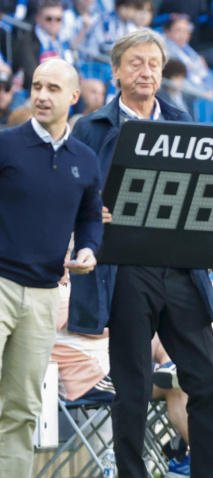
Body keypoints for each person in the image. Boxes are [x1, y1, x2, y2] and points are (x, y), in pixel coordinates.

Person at [69, 29, 213, 478]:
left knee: (207, 379)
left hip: (183, 269)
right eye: (136, 63)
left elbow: (210, 199)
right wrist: (91, 216)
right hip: (124, 271)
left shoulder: (185, 122)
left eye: (154, 64)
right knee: (132, 386)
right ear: (115, 72)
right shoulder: (89, 128)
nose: (146, 72)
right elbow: (73, 197)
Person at [0, 58, 101, 478]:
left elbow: (91, 217)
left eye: (53, 88)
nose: (42, 95)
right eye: (37, 86)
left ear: (73, 97)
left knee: (22, 409)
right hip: (1, 284)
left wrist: (90, 248)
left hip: (44, 297)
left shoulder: (86, 159)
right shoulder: (5, 145)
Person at [12, 0, 74, 89]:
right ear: (38, 19)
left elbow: (72, 67)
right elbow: (31, 73)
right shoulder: (27, 40)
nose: (53, 23)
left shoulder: (64, 42)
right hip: (35, 91)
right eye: (49, 19)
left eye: (58, 19)